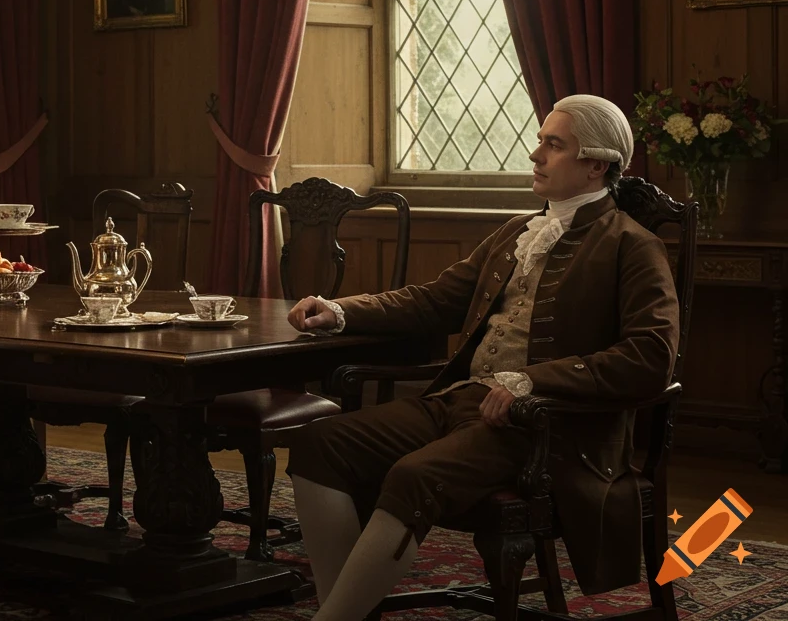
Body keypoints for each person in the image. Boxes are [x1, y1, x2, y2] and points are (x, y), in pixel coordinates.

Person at [284, 95, 680, 620]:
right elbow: (434, 300)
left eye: (554, 145)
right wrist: (340, 310)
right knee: (319, 444)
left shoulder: (633, 245)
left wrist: (532, 381)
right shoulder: (516, 232)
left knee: (413, 475)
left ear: (596, 166)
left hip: (548, 429)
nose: (536, 154)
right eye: (540, 141)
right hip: (461, 401)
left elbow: (650, 357)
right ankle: (343, 612)